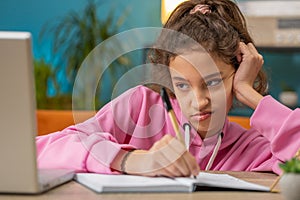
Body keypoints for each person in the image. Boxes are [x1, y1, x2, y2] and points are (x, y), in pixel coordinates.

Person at [36, 0, 300, 177]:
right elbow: (43, 149)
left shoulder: (251, 147)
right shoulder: (140, 106)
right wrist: (133, 160)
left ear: (239, 70)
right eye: (182, 85)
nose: (199, 101)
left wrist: (250, 93)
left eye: (213, 82)